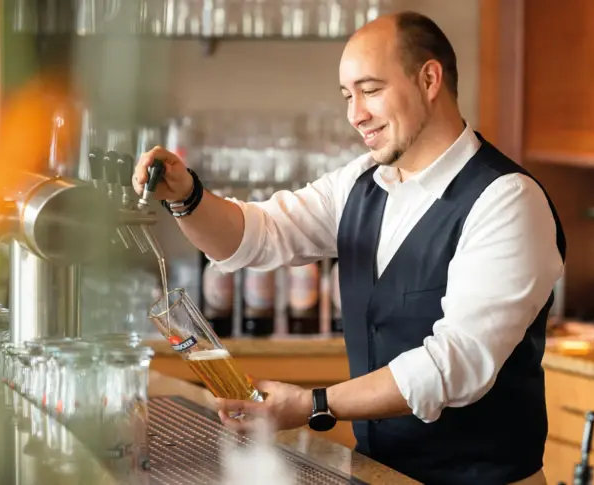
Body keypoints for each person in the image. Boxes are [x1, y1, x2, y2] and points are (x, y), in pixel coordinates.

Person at [133, 11, 565, 485]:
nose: (354, 114)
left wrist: (316, 403)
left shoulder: (506, 200)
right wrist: (185, 195)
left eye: (370, 90)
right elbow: (259, 234)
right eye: (347, 95)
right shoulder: (361, 183)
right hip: (379, 475)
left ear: (429, 79)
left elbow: (455, 363)